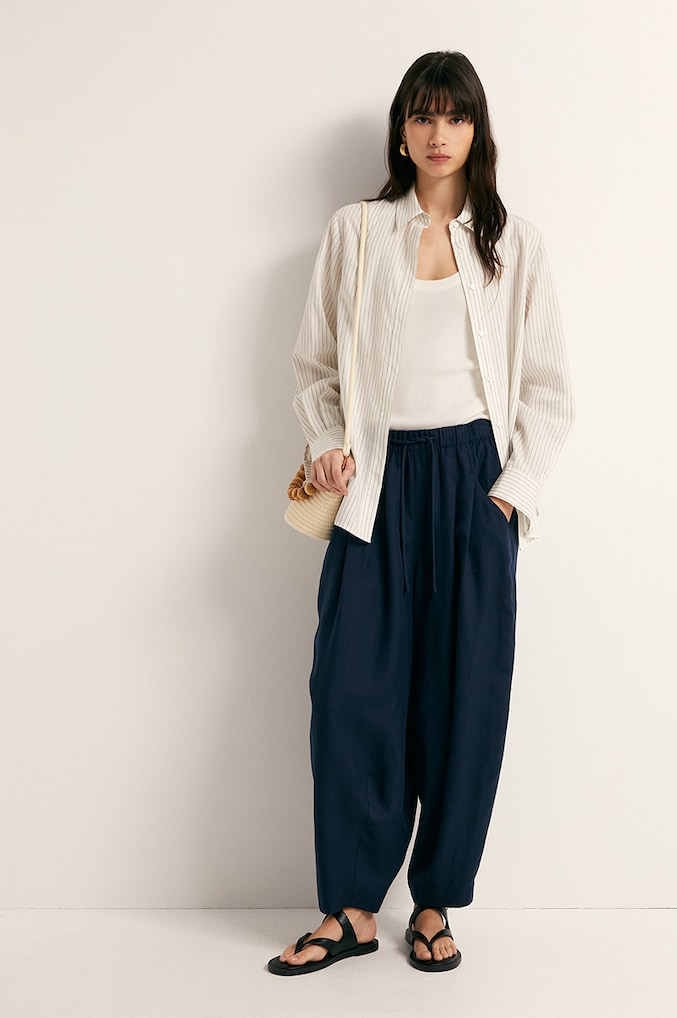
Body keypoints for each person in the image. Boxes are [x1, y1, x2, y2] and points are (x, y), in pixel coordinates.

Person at [268, 50, 574, 976]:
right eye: (423, 115)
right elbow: (315, 367)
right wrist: (328, 439)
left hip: (474, 483)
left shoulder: (515, 242)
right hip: (375, 483)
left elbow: (549, 389)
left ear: (477, 131)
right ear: (401, 132)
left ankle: (435, 902)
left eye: (456, 116)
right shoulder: (356, 232)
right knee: (350, 693)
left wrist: (508, 499)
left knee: (464, 698)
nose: (440, 133)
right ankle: (354, 909)